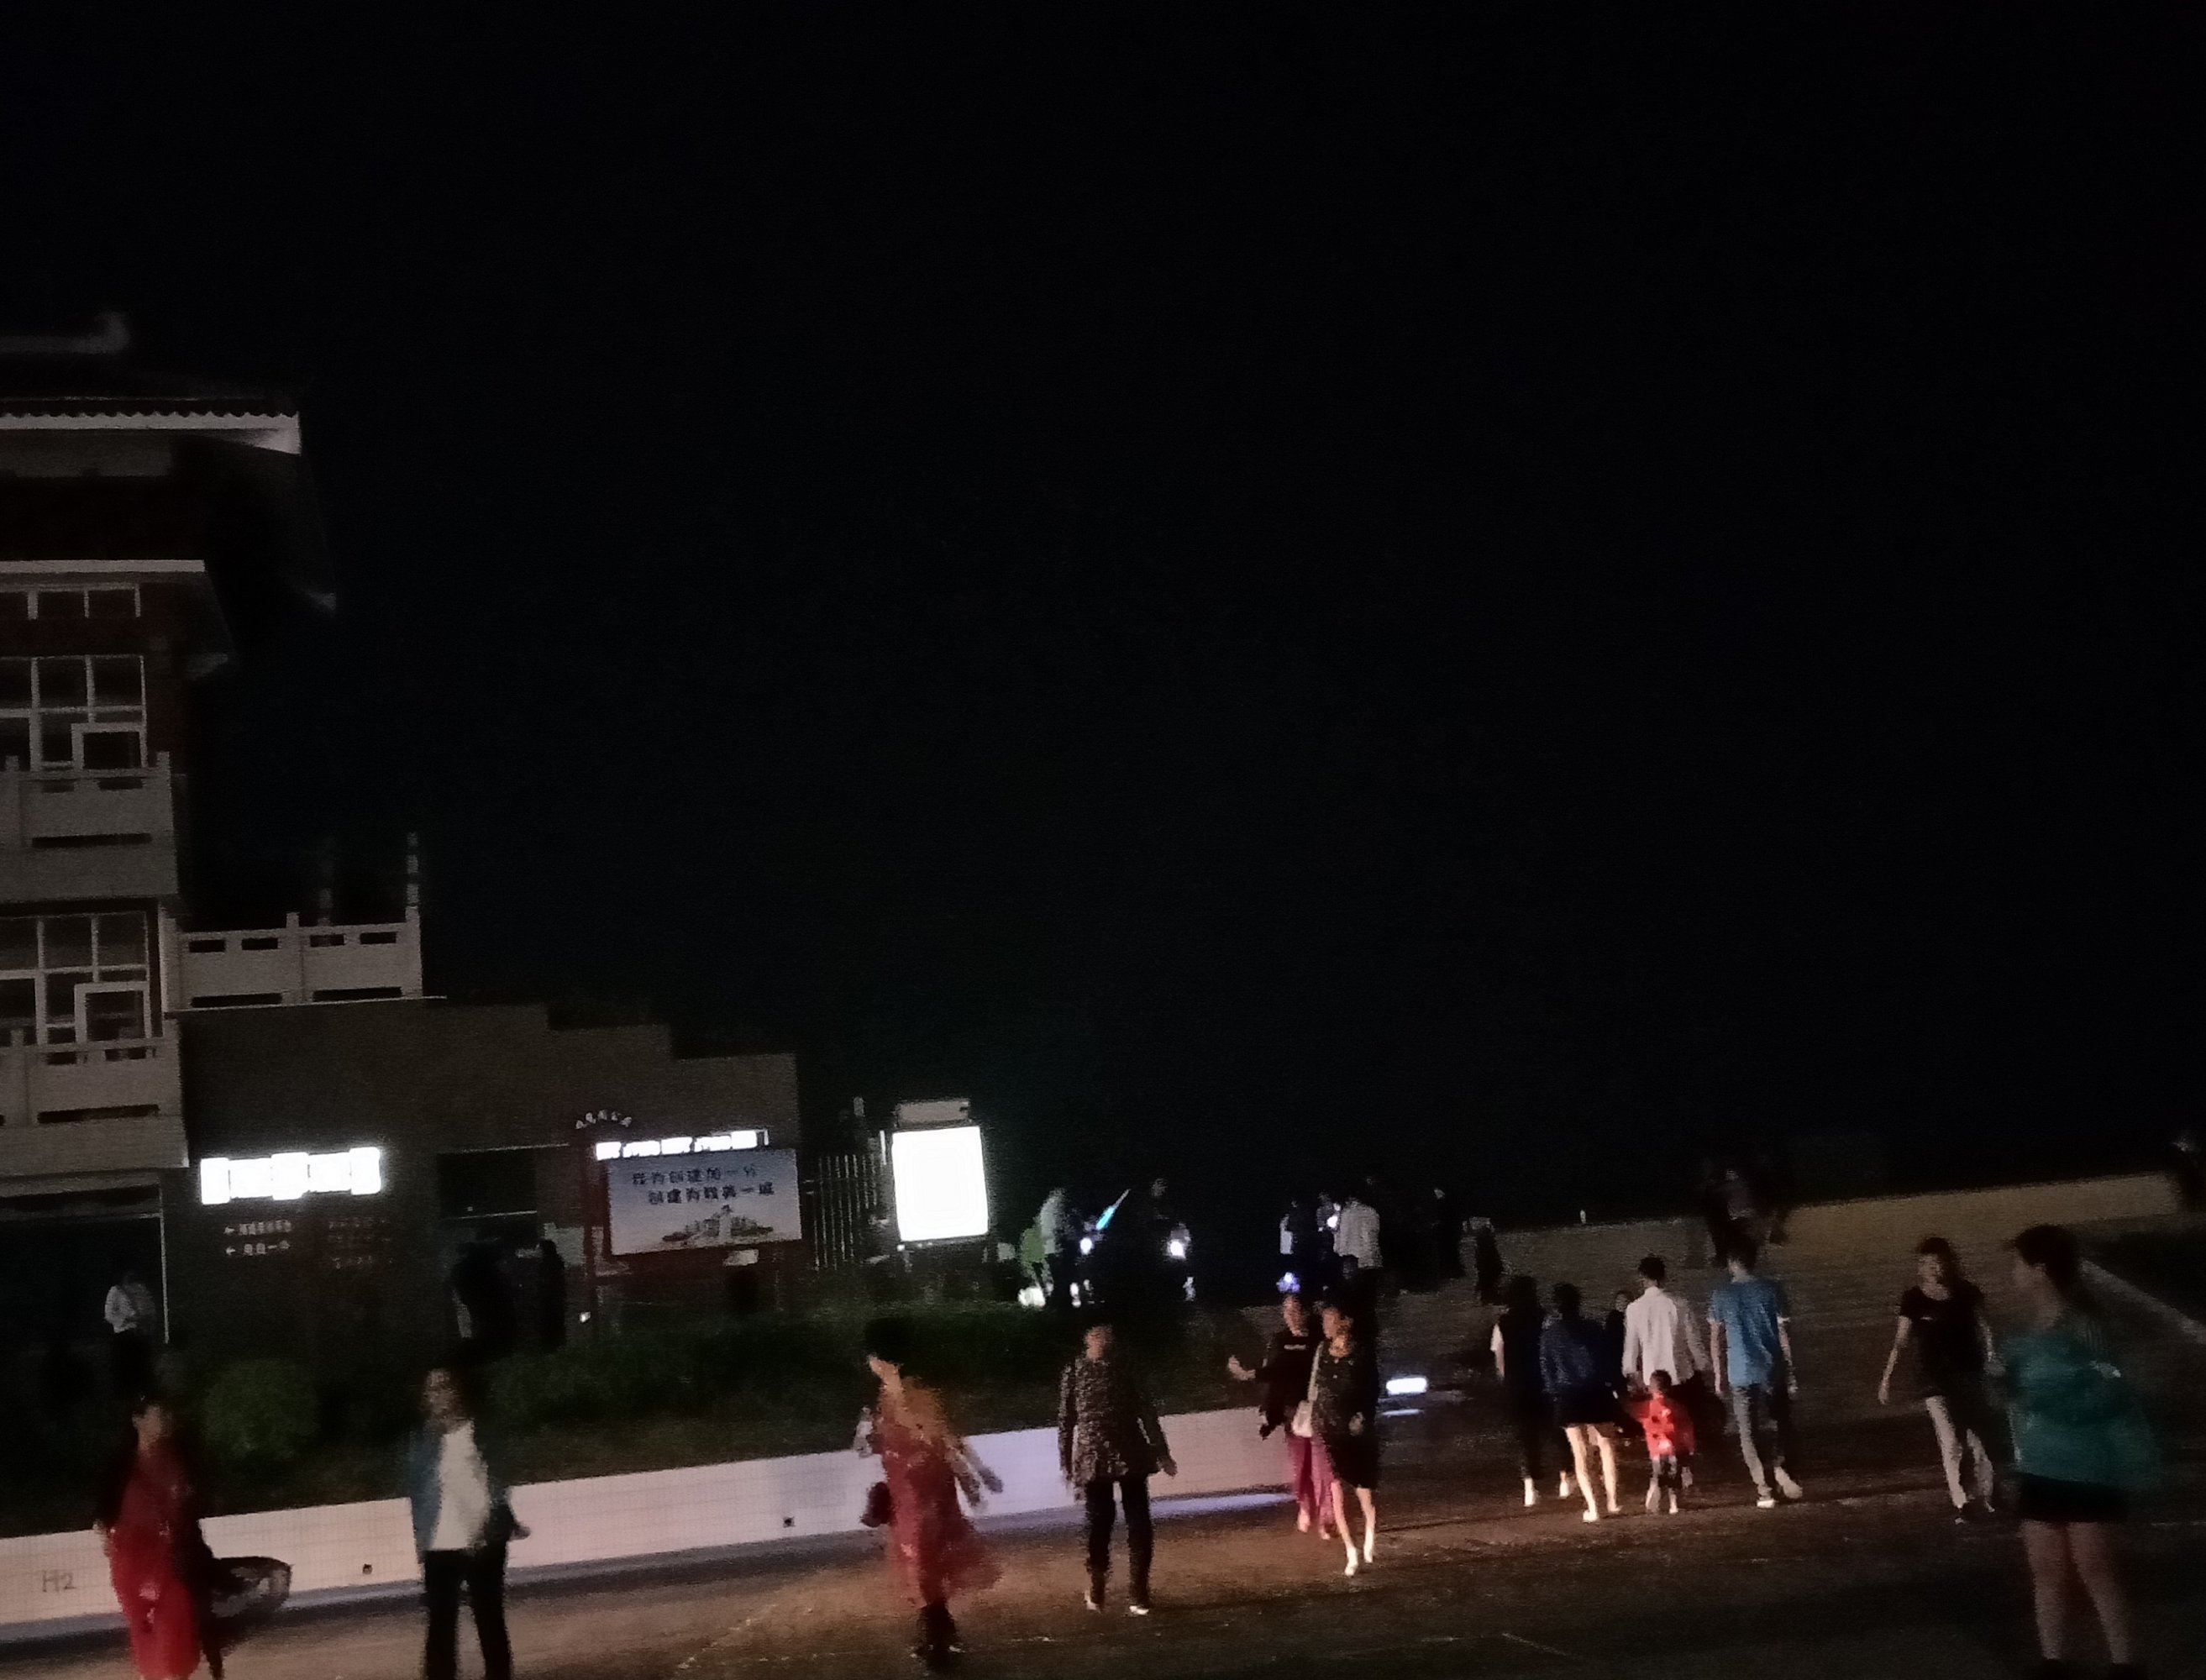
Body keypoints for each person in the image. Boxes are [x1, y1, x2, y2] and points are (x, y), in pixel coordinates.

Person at [2003, 1225, 2156, 1680]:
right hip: (2039, 1464)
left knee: (2096, 1570)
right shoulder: (2024, 1331)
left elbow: (2114, 1389)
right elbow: (2011, 1395)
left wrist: (2057, 1402)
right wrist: (1999, 1381)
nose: (2013, 1272)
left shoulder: (2085, 1326)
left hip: (2087, 1465)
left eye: (2018, 1263)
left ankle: (2125, 1665)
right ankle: (2053, 1662)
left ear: (2039, 1269)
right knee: (2045, 1570)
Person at [862, 1317, 1001, 1667]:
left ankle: (936, 1641)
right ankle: (941, 1630)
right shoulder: (884, 1398)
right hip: (904, 1494)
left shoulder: (916, 1395)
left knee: (924, 1564)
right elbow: (885, 1442)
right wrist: (872, 1438)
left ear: (882, 1360)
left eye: (871, 1357)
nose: (869, 1364)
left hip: (927, 1494)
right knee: (920, 1565)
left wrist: (975, 1475)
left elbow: (941, 1437)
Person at [408, 1364, 524, 1680]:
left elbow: (498, 1484)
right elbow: (418, 1495)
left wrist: (492, 1525)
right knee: (440, 1625)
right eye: (431, 1389)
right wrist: (421, 1541)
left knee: (489, 1618)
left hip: (484, 1542)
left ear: (458, 1391)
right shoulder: (421, 1444)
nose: (437, 1395)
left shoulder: (482, 1434)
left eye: (443, 1386)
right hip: (440, 1544)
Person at [1876, 1236, 2000, 1520]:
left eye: (1937, 1263)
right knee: (1950, 1438)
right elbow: (1901, 1341)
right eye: (1927, 1263)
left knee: (1978, 1437)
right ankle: (1962, 1501)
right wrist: (1887, 1378)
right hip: (1932, 1378)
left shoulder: (1967, 1293)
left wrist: (1991, 1357)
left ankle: (1989, 1493)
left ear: (1949, 1263)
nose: (1933, 1269)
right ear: (1920, 1266)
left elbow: (1985, 1327)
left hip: (1968, 1373)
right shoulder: (1914, 1299)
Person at [1060, 1316, 1175, 1614]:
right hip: (1097, 1458)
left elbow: (1146, 1411)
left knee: (1135, 1522)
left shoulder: (1122, 1368)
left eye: (1105, 1334)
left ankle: (1137, 1591)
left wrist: (1162, 1452)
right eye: (1097, 1333)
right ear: (1088, 1338)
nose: (1102, 1338)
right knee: (1102, 1523)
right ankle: (1101, 1583)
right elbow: (1066, 1420)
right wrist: (1065, 1462)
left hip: (1124, 1454)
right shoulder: (1077, 1371)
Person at [96, 1395, 209, 1680]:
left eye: (166, 1417)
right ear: (138, 1421)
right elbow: (102, 1511)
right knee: (144, 1631)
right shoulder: (120, 1466)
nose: (164, 1422)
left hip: (171, 1561)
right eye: (157, 1416)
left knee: (175, 1629)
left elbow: (188, 1512)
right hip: (133, 1563)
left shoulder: (179, 1461)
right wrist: (105, 1537)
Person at [1708, 1239, 1804, 1509]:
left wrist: (1718, 1376)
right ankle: (1782, 1465)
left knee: (1748, 1432)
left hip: (1739, 1370)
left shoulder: (1721, 1295)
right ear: (1753, 1261)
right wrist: (1791, 1369)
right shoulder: (1772, 1289)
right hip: (1771, 1368)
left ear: (1731, 1264)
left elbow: (1715, 1339)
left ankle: (1765, 1490)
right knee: (1782, 1422)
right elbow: (1784, 1333)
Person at [1227, 1292, 1333, 1536]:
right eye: (1287, 1311)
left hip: (1319, 1409)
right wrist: (1264, 1402)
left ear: (1306, 1312)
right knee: (1301, 1464)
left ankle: (1326, 1517)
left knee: (1322, 1466)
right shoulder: (1280, 1340)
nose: (1291, 1316)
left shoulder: (1319, 1340)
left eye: (1296, 1310)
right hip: (1292, 1411)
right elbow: (1273, 1373)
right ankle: (1305, 1506)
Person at [1620, 1254, 1713, 1469]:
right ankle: (1684, 1466)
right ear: (1664, 1276)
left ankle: (1663, 1465)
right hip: (1681, 1373)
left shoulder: (1634, 1308)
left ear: (1642, 1278)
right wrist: (1703, 1364)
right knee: (1682, 1423)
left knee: (1658, 1426)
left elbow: (1631, 1346)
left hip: (1652, 1378)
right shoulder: (1679, 1304)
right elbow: (1693, 1340)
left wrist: (1631, 1373)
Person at [1539, 1284, 1621, 1523]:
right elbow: (1608, 1359)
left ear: (1557, 1306)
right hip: (1597, 1390)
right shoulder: (1594, 1327)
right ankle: (1613, 1500)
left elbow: (1547, 1370)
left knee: (1581, 1453)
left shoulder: (1550, 1335)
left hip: (1569, 1395)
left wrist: (1554, 1393)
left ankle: (1595, 1508)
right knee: (1607, 1445)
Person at [1311, 1297, 1379, 1575]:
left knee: (1364, 1494)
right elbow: (1316, 1387)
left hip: (1356, 1432)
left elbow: (1372, 1389)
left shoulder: (1361, 1354)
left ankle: (1370, 1539)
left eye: (1330, 1319)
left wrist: (1362, 1416)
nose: (1325, 1325)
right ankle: (1351, 1552)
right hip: (1330, 1431)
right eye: (1324, 1320)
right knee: (1337, 1493)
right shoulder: (1322, 1351)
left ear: (1345, 1323)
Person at [1491, 1273, 1566, 1506]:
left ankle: (1530, 1486)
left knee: (1525, 1437)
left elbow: (1500, 1358)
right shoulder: (1545, 1318)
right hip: (1544, 1383)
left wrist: (1507, 1382)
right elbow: (1553, 1349)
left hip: (1518, 1386)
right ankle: (1565, 1477)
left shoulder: (1503, 1323)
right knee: (1557, 1432)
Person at [1628, 1369, 1696, 1515]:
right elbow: (1686, 1427)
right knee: (1675, 1475)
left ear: (1650, 1388)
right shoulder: (1678, 1407)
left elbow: (1633, 1413)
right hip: (1676, 1448)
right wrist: (1690, 1447)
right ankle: (1675, 1504)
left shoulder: (1646, 1408)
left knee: (1657, 1475)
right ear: (1669, 1387)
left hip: (1657, 1450)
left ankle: (1655, 1503)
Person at [104, 1268, 159, 1400]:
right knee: (127, 1369)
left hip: (141, 1334)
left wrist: (146, 1320)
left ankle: (145, 1395)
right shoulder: (116, 1291)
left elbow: (151, 1309)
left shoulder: (141, 1289)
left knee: (144, 1368)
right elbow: (109, 1315)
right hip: (125, 1335)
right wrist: (128, 1319)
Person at [1037, 1187, 1080, 1308]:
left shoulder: (1045, 1207)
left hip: (1049, 1249)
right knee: (1065, 1280)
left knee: (1058, 1280)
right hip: (1061, 1247)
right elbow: (1062, 1227)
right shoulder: (1060, 1205)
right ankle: (1062, 1307)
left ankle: (1056, 1306)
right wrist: (1076, 1235)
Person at [1334, 1190, 1382, 1275]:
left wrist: (1339, 1251)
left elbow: (1340, 1235)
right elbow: (1372, 1235)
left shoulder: (1345, 1213)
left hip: (1349, 1255)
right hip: (1366, 1258)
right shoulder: (1370, 1211)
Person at [1470, 1219, 1505, 1305]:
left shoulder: (1481, 1250)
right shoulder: (1488, 1249)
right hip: (1490, 1276)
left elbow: (1481, 1267)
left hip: (1487, 1276)